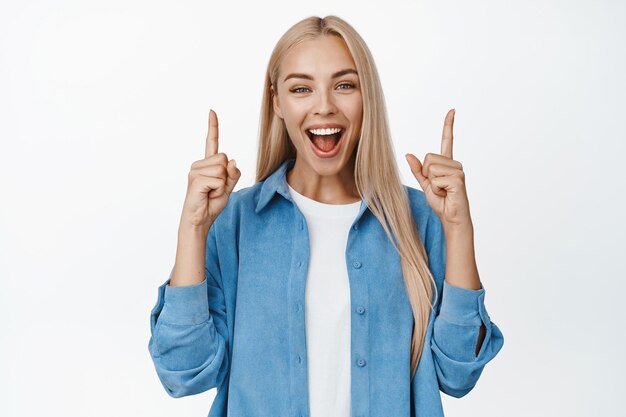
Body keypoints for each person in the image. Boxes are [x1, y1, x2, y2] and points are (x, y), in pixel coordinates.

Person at [148, 15, 504, 417]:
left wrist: (458, 229)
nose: (323, 106)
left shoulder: (420, 219)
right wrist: (193, 229)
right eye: (301, 88)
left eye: (344, 85)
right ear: (277, 102)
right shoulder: (235, 222)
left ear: (366, 96)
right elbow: (182, 372)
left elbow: (459, 374)